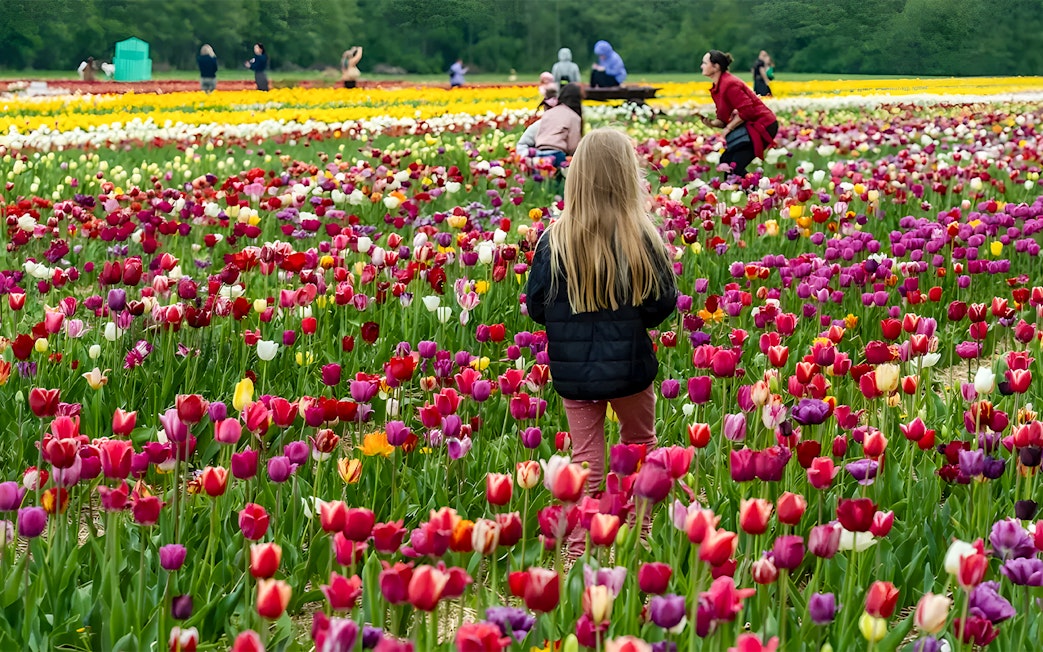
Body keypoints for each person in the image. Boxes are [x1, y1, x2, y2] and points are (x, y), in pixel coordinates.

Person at [525, 127, 677, 559]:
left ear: (576, 177)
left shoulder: (555, 239)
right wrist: (626, 319)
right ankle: (639, 533)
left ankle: (577, 550)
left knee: (585, 462)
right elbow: (661, 304)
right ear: (629, 176)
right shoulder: (642, 236)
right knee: (640, 446)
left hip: (574, 375)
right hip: (630, 368)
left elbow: (537, 306)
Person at [700, 49, 779, 178]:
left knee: (734, 166)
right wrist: (711, 123)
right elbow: (723, 118)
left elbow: (748, 110)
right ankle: (753, 192)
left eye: (704, 63)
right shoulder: (718, 87)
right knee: (726, 163)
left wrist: (729, 128)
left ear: (716, 67)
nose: (701, 66)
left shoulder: (729, 84)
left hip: (763, 124)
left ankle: (759, 193)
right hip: (750, 126)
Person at [533, 83, 583, 168]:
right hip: (556, 155)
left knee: (544, 180)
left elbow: (538, 134)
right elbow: (573, 146)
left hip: (538, 154)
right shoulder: (574, 117)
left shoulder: (548, 112)